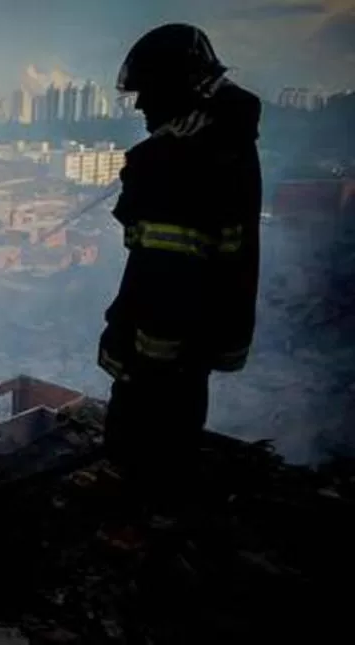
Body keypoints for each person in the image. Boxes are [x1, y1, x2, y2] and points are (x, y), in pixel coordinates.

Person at [99, 24, 262, 505]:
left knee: (147, 435)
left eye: (148, 93)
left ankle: (144, 508)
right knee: (181, 418)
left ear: (178, 89)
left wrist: (142, 350)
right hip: (199, 333)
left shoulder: (181, 160)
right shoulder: (223, 141)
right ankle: (159, 495)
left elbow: (167, 266)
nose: (141, 106)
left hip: (163, 341)